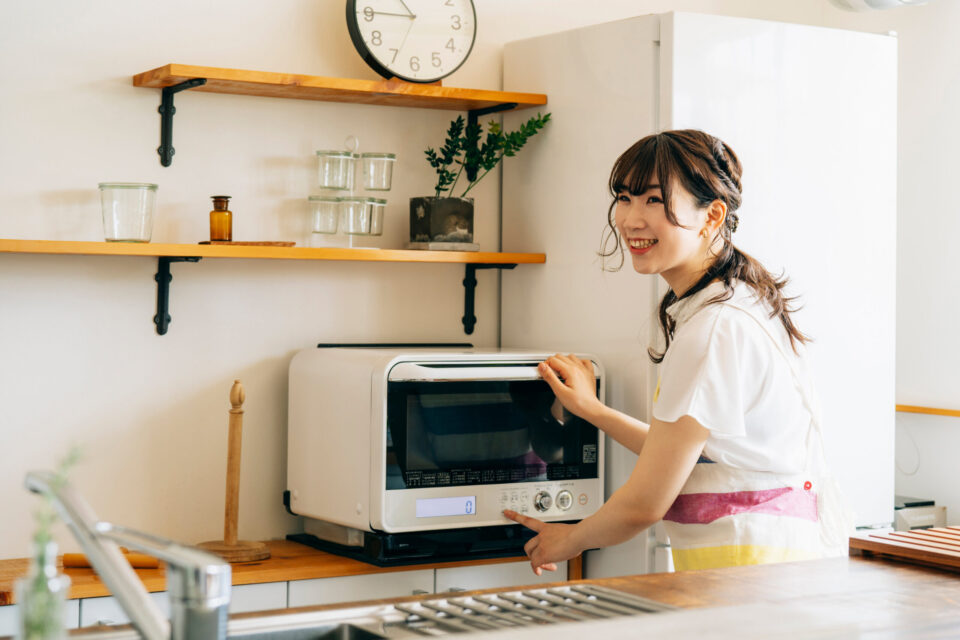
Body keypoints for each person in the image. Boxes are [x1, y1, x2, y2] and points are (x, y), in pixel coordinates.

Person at [503, 129, 850, 574]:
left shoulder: (714, 329)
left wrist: (568, 540)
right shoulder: (734, 303)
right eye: (625, 198)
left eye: (653, 200)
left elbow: (645, 503)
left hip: (749, 578)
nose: (631, 219)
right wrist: (590, 409)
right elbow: (687, 455)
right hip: (770, 571)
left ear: (712, 215)